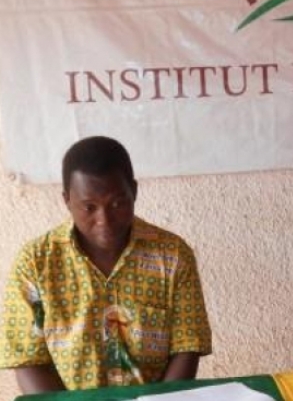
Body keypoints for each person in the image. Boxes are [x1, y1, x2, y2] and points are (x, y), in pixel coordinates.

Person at [0, 136, 212, 393]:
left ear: (134, 191)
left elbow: (187, 348)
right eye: (89, 207)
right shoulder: (34, 263)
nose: (104, 220)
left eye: (117, 203)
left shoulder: (173, 256)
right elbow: (28, 359)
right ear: (67, 200)